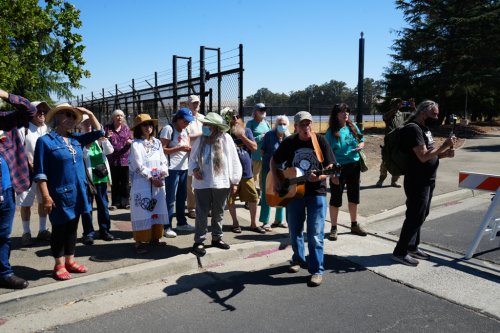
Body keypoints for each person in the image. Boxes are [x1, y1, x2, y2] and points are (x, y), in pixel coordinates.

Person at [34, 103, 103, 281]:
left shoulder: (76, 139)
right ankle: (58, 265)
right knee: (59, 229)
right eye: (66, 115)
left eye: (73, 116)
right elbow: (40, 173)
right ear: (56, 118)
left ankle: (70, 261)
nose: (70, 119)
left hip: (79, 191)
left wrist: (88, 112)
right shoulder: (45, 142)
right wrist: (46, 196)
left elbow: (100, 132)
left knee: (73, 228)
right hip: (58, 194)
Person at [270, 111, 337, 287]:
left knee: (315, 234)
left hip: (317, 193)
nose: (306, 127)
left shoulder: (320, 141)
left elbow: (330, 166)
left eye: (308, 124)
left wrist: (321, 177)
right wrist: (277, 181)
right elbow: (274, 160)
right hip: (294, 193)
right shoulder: (289, 142)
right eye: (302, 125)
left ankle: (316, 270)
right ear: (296, 127)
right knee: (295, 231)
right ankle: (298, 260)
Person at [392, 100, 456, 266]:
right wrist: (443, 145)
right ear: (423, 113)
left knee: (422, 214)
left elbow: (431, 153)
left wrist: (444, 153)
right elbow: (422, 156)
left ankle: (412, 246)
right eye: (433, 114)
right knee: (415, 215)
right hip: (417, 180)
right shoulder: (413, 129)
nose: (436, 117)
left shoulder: (425, 129)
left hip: (428, 178)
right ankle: (400, 251)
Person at [188, 112, 242, 256]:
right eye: (204, 124)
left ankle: (217, 238)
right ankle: (199, 241)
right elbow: (192, 158)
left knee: (219, 212)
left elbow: (234, 160)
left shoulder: (226, 139)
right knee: (202, 213)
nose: (204, 127)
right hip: (202, 182)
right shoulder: (200, 140)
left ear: (215, 127)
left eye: (207, 125)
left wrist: (235, 181)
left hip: (221, 182)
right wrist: (194, 169)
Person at [0, 88, 36, 289]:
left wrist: (5, 95)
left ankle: (4, 273)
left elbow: (30, 111)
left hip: (6, 192)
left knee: (4, 235)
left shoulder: (6, 120)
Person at [325, 103, 368, 241]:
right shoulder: (331, 132)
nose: (346, 114)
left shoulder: (352, 126)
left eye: (347, 111)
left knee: (354, 196)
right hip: (338, 168)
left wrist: (360, 146)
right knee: (336, 199)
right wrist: (332, 174)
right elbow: (326, 154)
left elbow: (361, 140)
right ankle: (333, 228)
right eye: (342, 111)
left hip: (354, 166)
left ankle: (354, 225)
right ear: (336, 114)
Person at [128, 114, 169, 254]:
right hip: (143, 183)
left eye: (150, 124)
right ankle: (139, 241)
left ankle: (155, 238)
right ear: (139, 128)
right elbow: (137, 165)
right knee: (142, 209)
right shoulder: (136, 144)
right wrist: (151, 178)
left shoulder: (157, 142)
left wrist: (162, 173)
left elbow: (163, 160)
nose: (148, 127)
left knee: (157, 208)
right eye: (145, 125)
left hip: (158, 182)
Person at [223, 108, 264, 234]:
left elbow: (254, 147)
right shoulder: (226, 134)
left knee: (253, 198)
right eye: (232, 117)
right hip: (231, 174)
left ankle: (253, 224)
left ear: (240, 118)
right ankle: (235, 223)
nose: (235, 119)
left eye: (237, 117)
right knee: (231, 199)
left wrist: (242, 136)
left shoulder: (247, 131)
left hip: (247, 173)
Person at [16, 101, 51, 246]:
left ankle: (42, 230)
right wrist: (28, 161)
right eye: (38, 111)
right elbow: (17, 150)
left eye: (44, 112)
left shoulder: (48, 129)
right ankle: (26, 232)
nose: (42, 114)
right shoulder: (23, 129)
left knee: (43, 201)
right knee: (25, 203)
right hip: (27, 172)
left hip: (44, 171)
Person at [79, 114, 115, 245]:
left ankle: (105, 231)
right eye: (85, 123)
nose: (88, 124)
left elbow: (110, 151)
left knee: (103, 206)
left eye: (89, 122)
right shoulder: (79, 139)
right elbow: (81, 156)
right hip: (87, 179)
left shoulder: (97, 137)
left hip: (101, 177)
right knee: (87, 207)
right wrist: (87, 146)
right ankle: (88, 233)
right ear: (80, 125)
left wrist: (104, 140)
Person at [159, 108, 194, 238]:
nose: (187, 123)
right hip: (171, 168)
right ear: (178, 119)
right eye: (185, 121)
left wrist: (188, 149)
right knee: (170, 198)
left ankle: (181, 222)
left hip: (184, 167)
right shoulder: (168, 129)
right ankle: (167, 226)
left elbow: (188, 145)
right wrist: (179, 148)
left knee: (181, 197)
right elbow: (162, 150)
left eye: (189, 121)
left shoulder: (186, 130)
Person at [259, 115, 290, 231]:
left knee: (282, 193)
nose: (282, 126)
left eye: (284, 124)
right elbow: (262, 151)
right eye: (280, 124)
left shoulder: (288, 138)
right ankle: (265, 221)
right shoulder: (269, 135)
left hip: (283, 170)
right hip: (268, 169)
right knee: (267, 194)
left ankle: (279, 219)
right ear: (276, 125)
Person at [376, 98, 409, 188]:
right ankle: (381, 179)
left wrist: (413, 107)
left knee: (398, 162)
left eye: (399, 103)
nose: (398, 104)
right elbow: (385, 117)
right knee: (386, 162)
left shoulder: (402, 114)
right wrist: (395, 108)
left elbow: (415, 116)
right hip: (389, 143)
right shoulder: (388, 114)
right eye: (396, 103)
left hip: (400, 142)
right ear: (392, 105)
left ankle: (394, 181)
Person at [104, 109, 132, 210]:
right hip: (112, 160)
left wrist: (130, 142)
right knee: (115, 182)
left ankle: (125, 203)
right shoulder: (108, 128)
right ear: (113, 117)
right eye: (117, 115)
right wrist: (107, 136)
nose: (119, 117)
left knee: (125, 182)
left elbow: (131, 140)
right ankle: (115, 203)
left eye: (121, 115)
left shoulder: (126, 128)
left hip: (125, 159)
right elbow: (103, 140)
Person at [185, 95, 205, 219]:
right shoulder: (186, 118)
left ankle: (202, 206)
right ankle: (191, 207)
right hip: (190, 152)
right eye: (193, 103)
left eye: (197, 102)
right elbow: (187, 136)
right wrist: (202, 134)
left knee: (203, 178)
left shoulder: (203, 118)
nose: (196, 105)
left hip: (203, 152)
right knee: (190, 180)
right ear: (189, 104)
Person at [246, 103, 271, 193]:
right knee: (254, 178)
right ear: (255, 112)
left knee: (264, 177)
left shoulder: (266, 123)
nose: (263, 111)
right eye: (261, 110)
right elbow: (247, 139)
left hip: (266, 156)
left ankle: (261, 197)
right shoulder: (250, 123)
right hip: (255, 156)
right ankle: (251, 199)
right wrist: (261, 137)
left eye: (264, 110)